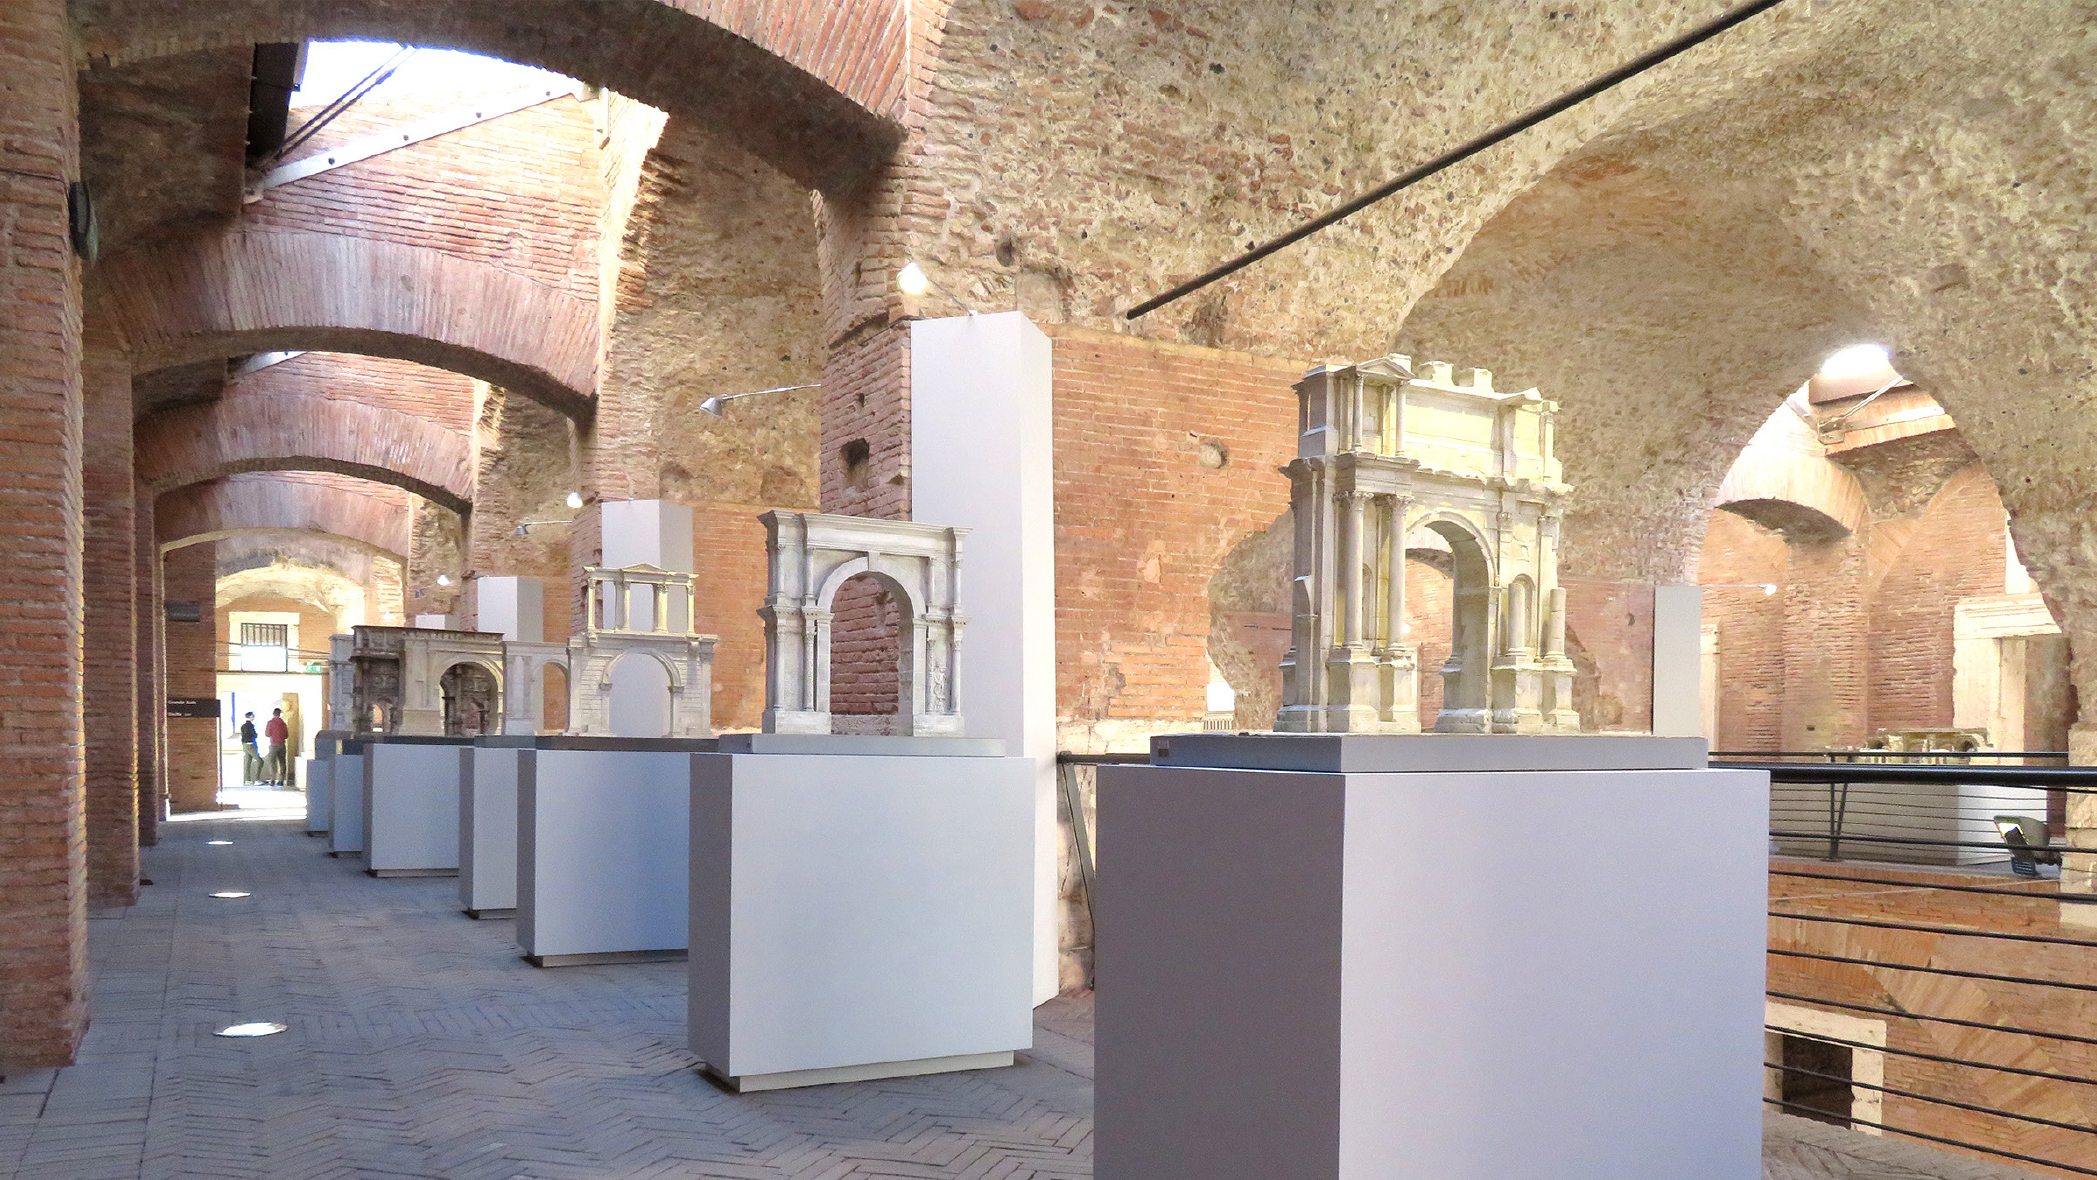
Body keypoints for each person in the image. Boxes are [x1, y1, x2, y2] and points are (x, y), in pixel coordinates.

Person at [264, 707, 290, 787]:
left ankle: (272, 780)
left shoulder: (270, 723)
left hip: (273, 745)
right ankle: (281, 780)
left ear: (273, 714)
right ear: (280, 714)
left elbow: (267, 734)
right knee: (282, 762)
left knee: (272, 763)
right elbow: (286, 735)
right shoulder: (283, 723)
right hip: (282, 745)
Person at [238, 712, 261, 784]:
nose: (254, 717)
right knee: (260, 761)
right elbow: (254, 735)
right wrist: (255, 735)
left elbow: (243, 736)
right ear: (250, 717)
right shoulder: (250, 726)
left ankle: (247, 780)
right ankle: (257, 779)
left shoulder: (243, 726)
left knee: (248, 762)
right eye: (253, 716)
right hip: (251, 744)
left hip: (245, 745)